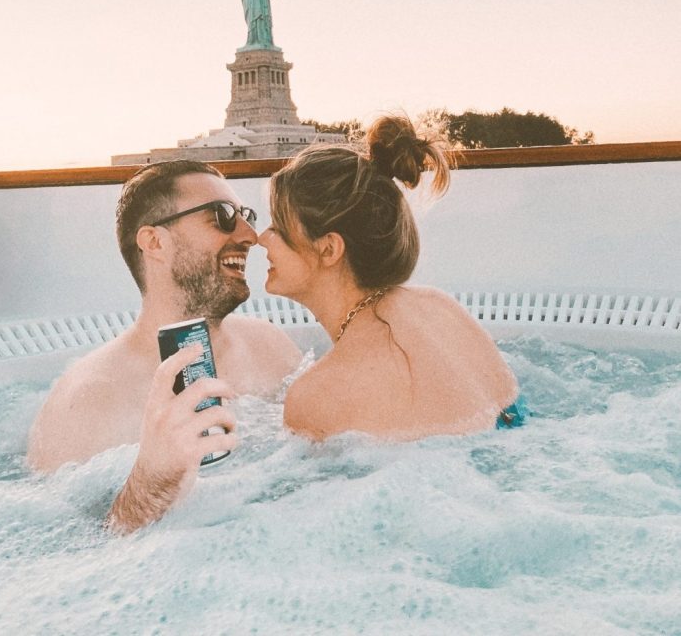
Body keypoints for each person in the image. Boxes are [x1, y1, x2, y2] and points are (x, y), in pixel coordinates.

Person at [27, 159, 302, 533]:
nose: (249, 235)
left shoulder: (272, 347)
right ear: (154, 242)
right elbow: (60, 550)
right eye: (222, 216)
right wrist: (150, 484)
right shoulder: (85, 403)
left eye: (245, 215)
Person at [259, 115, 521, 441]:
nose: (261, 239)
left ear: (329, 249)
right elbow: (513, 417)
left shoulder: (314, 397)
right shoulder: (440, 307)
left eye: (278, 228)